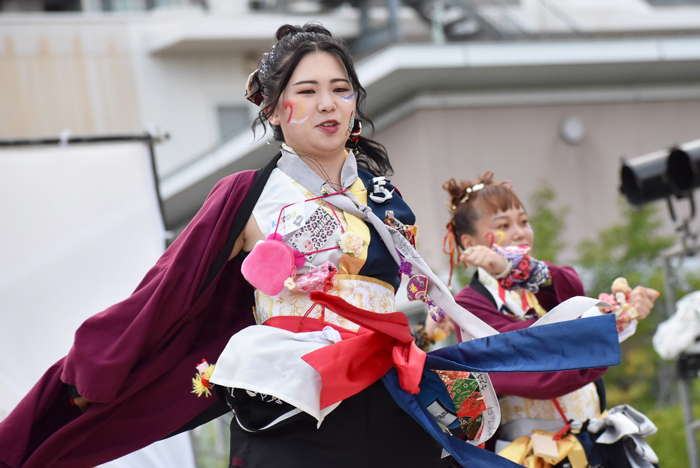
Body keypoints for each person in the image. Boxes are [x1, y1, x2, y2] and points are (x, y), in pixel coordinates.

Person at [0, 25, 620, 468]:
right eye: (309, 89)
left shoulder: (383, 197)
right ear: (274, 109)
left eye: (342, 89)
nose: (328, 103)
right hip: (290, 400)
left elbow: (435, 303)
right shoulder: (249, 195)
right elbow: (163, 293)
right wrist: (94, 368)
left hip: (390, 397)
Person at [443, 172, 660, 467]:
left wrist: (620, 313)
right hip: (532, 453)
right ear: (470, 242)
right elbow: (533, 357)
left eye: (524, 221)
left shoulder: (545, 282)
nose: (520, 232)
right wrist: (608, 322)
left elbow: (575, 296)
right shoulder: (469, 304)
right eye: (503, 226)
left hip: (593, 438)